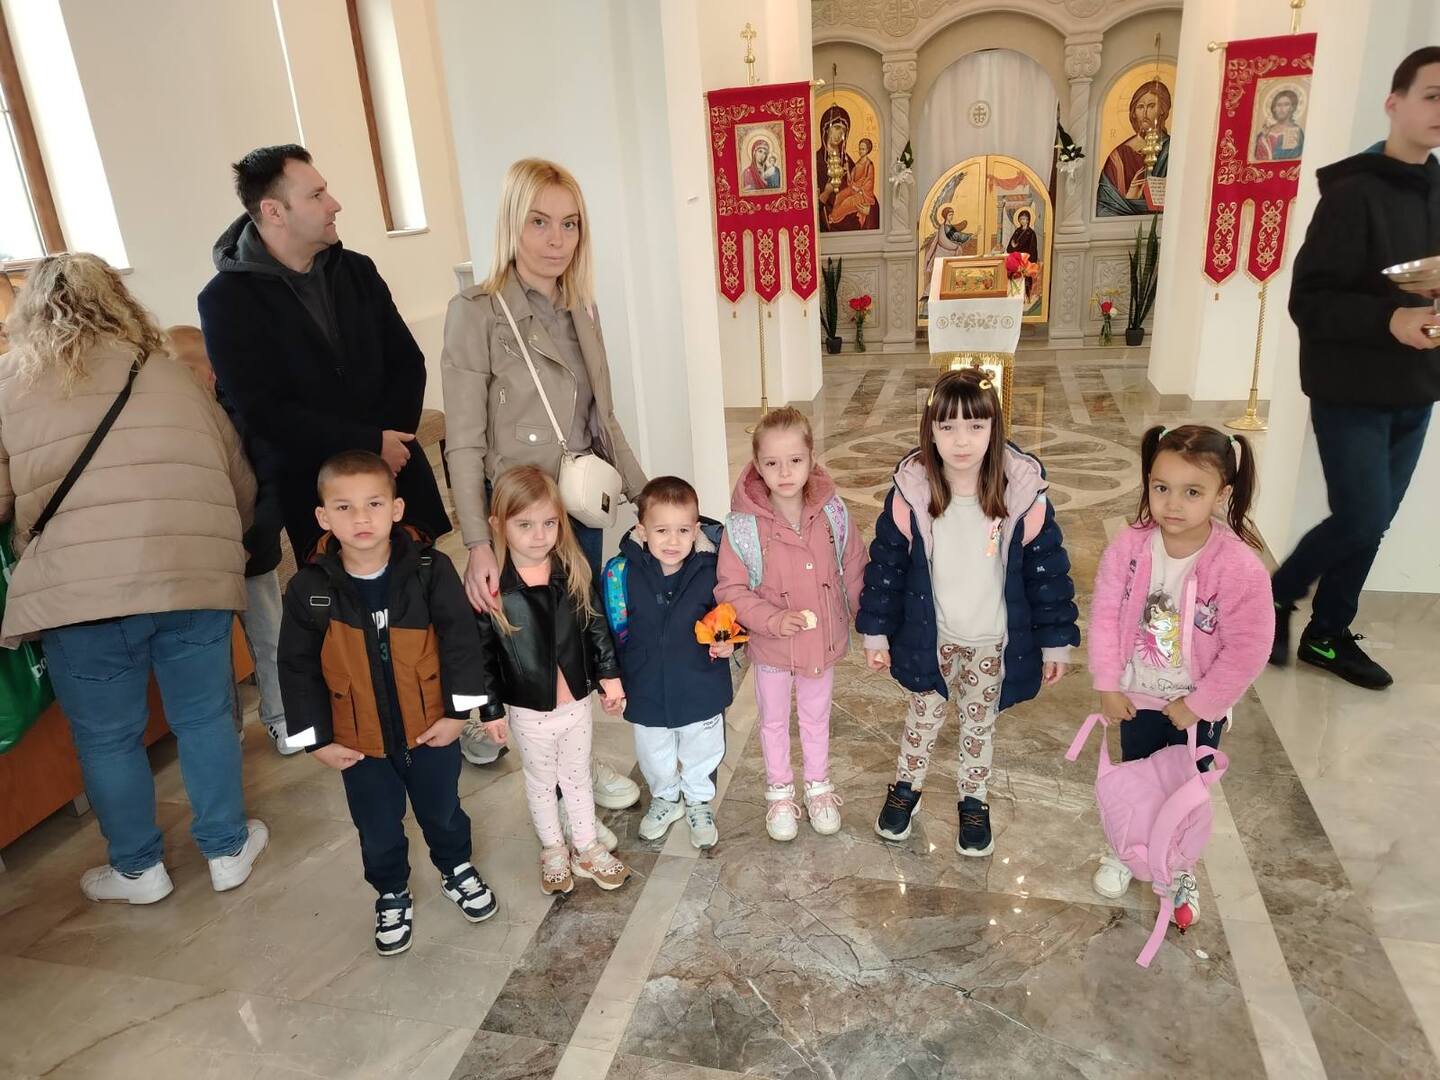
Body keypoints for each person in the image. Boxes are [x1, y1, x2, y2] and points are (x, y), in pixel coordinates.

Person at [0, 253, 267, 905]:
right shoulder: (169, 374)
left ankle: (137, 870)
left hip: (79, 596)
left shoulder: (9, 385)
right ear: (117, 301)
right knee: (204, 717)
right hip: (188, 575)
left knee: (106, 738)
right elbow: (237, 477)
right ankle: (227, 850)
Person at [440, 157, 645, 804]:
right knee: (528, 651)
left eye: (570, 224)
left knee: (577, 636)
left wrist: (646, 497)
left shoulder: (582, 307)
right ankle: (546, 775)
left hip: (577, 505)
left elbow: (602, 418)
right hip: (521, 512)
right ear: (512, 222)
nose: (557, 240)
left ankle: (576, 767)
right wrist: (478, 543)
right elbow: (464, 439)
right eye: (539, 222)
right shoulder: (477, 312)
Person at [277, 451, 496, 956]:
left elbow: (461, 641)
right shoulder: (309, 589)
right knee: (376, 826)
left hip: (431, 729)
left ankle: (456, 867)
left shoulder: (429, 570)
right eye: (345, 507)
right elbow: (296, 667)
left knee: (443, 810)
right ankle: (391, 891)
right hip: (359, 742)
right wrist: (316, 741)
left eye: (374, 504)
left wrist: (457, 714)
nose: (361, 518)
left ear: (396, 509)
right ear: (323, 517)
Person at [1271, 47, 1440, 690]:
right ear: (1395, 103)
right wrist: (1389, 319)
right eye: (1432, 95)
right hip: (1351, 390)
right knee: (1362, 516)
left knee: (1374, 521)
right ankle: (1276, 593)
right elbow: (1309, 301)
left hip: (1417, 387)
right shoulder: (1352, 194)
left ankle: (1328, 634)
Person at [858, 368, 1078, 857]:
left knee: (979, 727)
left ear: (994, 428)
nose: (962, 441)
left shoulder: (1020, 496)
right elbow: (886, 570)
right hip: (930, 638)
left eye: (976, 426)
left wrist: (1055, 643)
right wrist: (876, 634)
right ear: (930, 430)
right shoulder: (911, 495)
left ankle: (973, 800)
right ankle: (907, 788)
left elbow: (1047, 576)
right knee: (922, 719)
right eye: (948, 427)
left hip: (990, 643)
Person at [198, 144, 448, 564]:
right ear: (274, 211)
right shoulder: (226, 301)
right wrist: (369, 445)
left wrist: (388, 447)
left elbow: (407, 364)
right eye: (316, 195)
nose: (334, 204)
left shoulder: (357, 270)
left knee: (425, 597)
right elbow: (265, 411)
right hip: (319, 497)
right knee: (345, 605)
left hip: (397, 479)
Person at [1088, 425, 1274, 923]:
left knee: (1184, 789)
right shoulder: (1129, 547)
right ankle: (1125, 849)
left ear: (1222, 494)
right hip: (1138, 697)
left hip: (1195, 707)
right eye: (1161, 487)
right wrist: (1107, 683)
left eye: (1193, 492)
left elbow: (1249, 648)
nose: (1173, 504)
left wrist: (1200, 704)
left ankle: (1177, 865)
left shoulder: (1237, 567)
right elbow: (1105, 613)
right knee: (1136, 778)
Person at [474, 465, 632, 894]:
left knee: (577, 777)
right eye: (524, 525)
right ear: (498, 525)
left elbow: (595, 626)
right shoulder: (492, 589)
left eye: (548, 523)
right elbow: (483, 657)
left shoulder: (571, 569)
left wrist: (609, 677)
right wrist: (490, 710)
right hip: (529, 711)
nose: (539, 535)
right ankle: (553, 849)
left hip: (576, 704)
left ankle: (586, 847)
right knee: (542, 784)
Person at [714, 408, 867, 842]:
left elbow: (855, 566)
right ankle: (780, 793)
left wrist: (869, 624)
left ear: (811, 457)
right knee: (774, 721)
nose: (785, 473)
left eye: (795, 460)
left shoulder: (833, 513)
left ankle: (818, 786)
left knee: (817, 717)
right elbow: (730, 588)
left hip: (822, 641)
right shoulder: (743, 527)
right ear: (757, 465)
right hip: (773, 648)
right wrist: (771, 619)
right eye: (772, 463)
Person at [168, 325, 294, 756]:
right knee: (212, 650)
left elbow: (273, 482)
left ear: (211, 371)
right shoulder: (170, 424)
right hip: (201, 561)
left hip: (252, 551)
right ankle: (228, 725)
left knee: (270, 637)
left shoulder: (244, 414)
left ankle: (281, 716)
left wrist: (254, 537)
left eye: (187, 370)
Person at [601, 477, 733, 850]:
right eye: (661, 530)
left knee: (702, 748)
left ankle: (698, 799)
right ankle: (666, 796)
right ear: (643, 530)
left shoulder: (712, 570)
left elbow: (727, 618)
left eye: (682, 530)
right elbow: (609, 629)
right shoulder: (621, 573)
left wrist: (729, 644)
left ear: (696, 530)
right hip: (645, 684)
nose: (672, 541)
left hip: (700, 683)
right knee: (653, 752)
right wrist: (609, 679)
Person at [1096, 80, 1171, 217]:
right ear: (1134, 112)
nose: (1145, 113)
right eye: (1140, 107)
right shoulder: (1118, 156)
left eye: (1151, 106)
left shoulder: (1172, 150)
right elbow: (1103, 208)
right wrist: (1131, 197)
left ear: (1162, 110)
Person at [920, 207, 973, 309]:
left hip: (949, 256)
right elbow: (953, 238)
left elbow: (956, 235)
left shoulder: (949, 227)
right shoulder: (944, 228)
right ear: (945, 216)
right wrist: (961, 242)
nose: (951, 217)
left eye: (952, 214)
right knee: (938, 277)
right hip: (942, 255)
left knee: (949, 277)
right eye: (949, 215)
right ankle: (927, 296)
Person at [816, 104, 854, 232]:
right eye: (837, 128)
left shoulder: (847, 160)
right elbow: (809, 206)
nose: (840, 134)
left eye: (843, 130)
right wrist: (826, 193)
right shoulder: (816, 161)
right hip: (826, 218)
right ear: (826, 128)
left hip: (847, 214)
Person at [829, 137, 879, 230]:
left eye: (863, 149)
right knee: (839, 196)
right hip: (854, 189)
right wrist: (847, 169)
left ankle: (834, 218)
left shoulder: (869, 165)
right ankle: (833, 215)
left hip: (863, 195)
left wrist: (859, 190)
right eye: (860, 148)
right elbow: (851, 181)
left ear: (868, 150)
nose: (860, 151)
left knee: (847, 202)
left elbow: (869, 183)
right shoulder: (858, 163)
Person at [1254, 89, 1305, 161]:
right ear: (1274, 108)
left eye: (1286, 104)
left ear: (1292, 108)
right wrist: (1263, 139)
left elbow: (1295, 156)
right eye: (1278, 105)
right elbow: (1257, 156)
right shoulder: (1265, 132)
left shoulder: (1296, 131)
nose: (1282, 108)